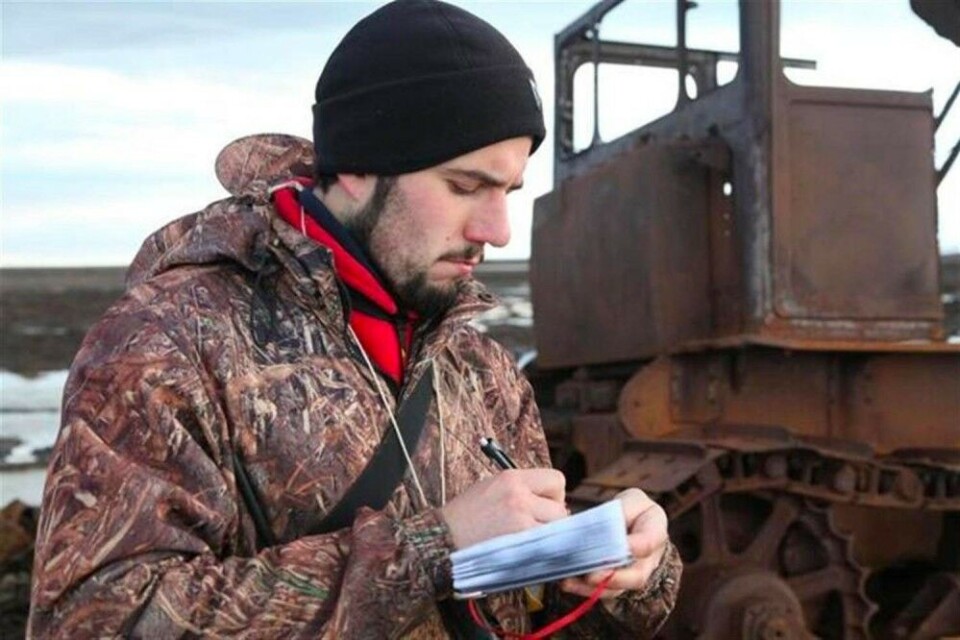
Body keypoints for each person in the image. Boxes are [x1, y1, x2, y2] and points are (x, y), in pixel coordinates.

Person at [29, 1, 681, 637]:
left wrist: (617, 568)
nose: (499, 231)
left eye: (508, 191)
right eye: (464, 186)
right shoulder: (167, 343)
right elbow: (97, 620)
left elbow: (534, 614)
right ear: (360, 165)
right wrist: (434, 548)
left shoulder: (482, 372)